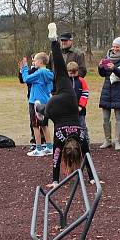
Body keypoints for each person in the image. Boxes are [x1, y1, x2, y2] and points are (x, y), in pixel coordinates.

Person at [36, 23, 93, 186]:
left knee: (60, 70)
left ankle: (53, 40)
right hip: (55, 110)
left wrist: (93, 177)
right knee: (44, 120)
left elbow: (87, 156)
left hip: (68, 101)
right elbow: (56, 159)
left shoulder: (82, 138)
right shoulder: (60, 140)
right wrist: (55, 180)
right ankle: (42, 113)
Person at [98, 37, 120, 150]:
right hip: (107, 89)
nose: (115, 48)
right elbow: (103, 74)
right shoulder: (107, 57)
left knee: (118, 117)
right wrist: (100, 67)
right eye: (114, 46)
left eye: (117, 47)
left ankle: (117, 142)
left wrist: (114, 68)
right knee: (105, 117)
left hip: (119, 90)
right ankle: (107, 140)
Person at [20, 52, 54, 157]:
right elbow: (50, 88)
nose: (33, 62)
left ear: (40, 61)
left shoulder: (39, 73)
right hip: (45, 102)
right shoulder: (49, 73)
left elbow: (26, 79)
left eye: (34, 60)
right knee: (44, 125)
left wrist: (24, 68)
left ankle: (38, 149)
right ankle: (49, 147)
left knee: (35, 125)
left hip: (35, 102)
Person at [67, 61, 90, 138]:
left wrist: (80, 106)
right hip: (68, 109)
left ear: (78, 71)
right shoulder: (65, 81)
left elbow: (85, 94)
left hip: (80, 110)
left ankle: (85, 141)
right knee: (69, 127)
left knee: (82, 125)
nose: (72, 74)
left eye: (74, 72)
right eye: (70, 72)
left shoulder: (81, 81)